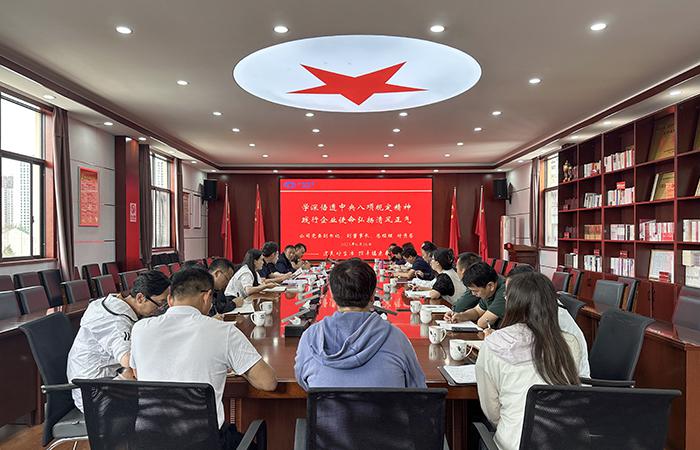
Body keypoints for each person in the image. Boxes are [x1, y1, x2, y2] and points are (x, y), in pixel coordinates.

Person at [130, 267, 277, 449]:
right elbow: (268, 382)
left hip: (149, 441)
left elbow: (137, 373)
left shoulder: (140, 329)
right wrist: (237, 367)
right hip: (203, 441)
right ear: (207, 296)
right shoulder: (223, 332)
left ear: (170, 299)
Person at [475, 272, 581, 450]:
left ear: (512, 303)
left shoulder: (493, 344)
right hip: (565, 440)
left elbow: (492, 412)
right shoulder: (569, 343)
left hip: (515, 443)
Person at [295, 258, 426, 390]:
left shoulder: (310, 338)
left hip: (328, 405)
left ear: (332, 296)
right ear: (373, 296)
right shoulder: (397, 339)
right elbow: (418, 389)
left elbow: (304, 382)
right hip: (385, 405)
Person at [66, 270, 171, 411]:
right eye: (160, 303)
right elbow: (128, 360)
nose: (161, 309)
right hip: (94, 393)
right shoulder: (115, 322)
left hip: (102, 381)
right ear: (140, 298)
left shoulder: (115, 303)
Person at [503, 264, 590, 377]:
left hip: (570, 379)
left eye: (511, 295)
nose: (507, 299)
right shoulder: (538, 308)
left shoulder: (552, 316)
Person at [444, 261, 505, 328]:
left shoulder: (505, 291)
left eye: (475, 291)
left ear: (490, 286)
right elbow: (477, 311)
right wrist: (461, 316)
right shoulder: (488, 290)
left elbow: (482, 323)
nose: (473, 294)